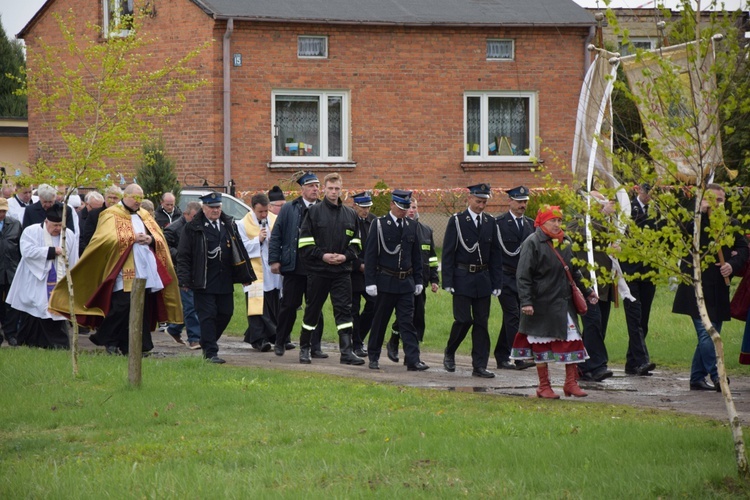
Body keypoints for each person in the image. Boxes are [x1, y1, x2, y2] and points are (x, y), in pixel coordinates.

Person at [49, 184, 182, 355]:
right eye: (136, 198)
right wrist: (132, 238)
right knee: (122, 305)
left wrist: (150, 239)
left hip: (145, 267)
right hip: (121, 267)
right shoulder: (111, 214)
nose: (138, 202)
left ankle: (136, 346)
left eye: (141, 198)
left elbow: (158, 236)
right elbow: (105, 239)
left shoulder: (144, 214)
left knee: (142, 306)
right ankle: (107, 339)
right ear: (125, 196)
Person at [510, 205, 597, 399]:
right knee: (541, 344)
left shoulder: (566, 241)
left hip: (563, 302)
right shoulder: (532, 243)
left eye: (559, 220)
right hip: (540, 304)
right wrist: (526, 302)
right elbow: (523, 275)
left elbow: (574, 271)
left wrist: (588, 290)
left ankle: (570, 383)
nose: (557, 225)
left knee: (572, 341)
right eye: (552, 220)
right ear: (542, 222)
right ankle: (544, 386)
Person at [672, 184, 748, 392]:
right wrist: (698, 212)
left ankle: (697, 378)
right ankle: (717, 375)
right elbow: (682, 235)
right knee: (707, 333)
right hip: (695, 286)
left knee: (711, 333)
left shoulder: (730, 224)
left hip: (718, 289)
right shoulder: (694, 222)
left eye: (721, 200)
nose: (717, 204)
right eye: (713, 200)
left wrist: (732, 264)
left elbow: (743, 249)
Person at [176, 191, 255, 364]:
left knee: (226, 313)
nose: (215, 210)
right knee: (208, 315)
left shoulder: (228, 225)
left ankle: (206, 340)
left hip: (224, 279)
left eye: (218, 207)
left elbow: (239, 250)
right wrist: (184, 279)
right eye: (212, 207)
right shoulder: (193, 228)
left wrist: (245, 275)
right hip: (203, 280)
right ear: (203, 208)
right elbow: (183, 256)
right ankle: (210, 352)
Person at [297, 173, 363, 365]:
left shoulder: (351, 214)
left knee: (344, 312)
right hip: (318, 271)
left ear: (342, 190)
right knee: (312, 311)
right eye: (330, 188)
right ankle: (305, 349)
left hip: (342, 273)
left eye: (337, 189)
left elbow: (357, 244)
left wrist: (346, 256)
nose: (334, 192)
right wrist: (322, 255)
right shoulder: (314, 212)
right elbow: (304, 243)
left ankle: (347, 352)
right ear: (324, 189)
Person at [442, 183, 503, 378]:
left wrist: (497, 282)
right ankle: (450, 351)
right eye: (478, 201)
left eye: (484, 202)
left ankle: (479, 365)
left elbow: (495, 255)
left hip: (482, 279)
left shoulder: (490, 222)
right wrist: (448, 281)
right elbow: (448, 252)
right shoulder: (458, 221)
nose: (481, 206)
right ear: (469, 199)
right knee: (463, 319)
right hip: (462, 277)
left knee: (481, 323)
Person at [365, 190, 428, 371]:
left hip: (405, 283)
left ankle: (413, 359)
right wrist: (370, 281)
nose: (403, 211)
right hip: (385, 281)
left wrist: (418, 280)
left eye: (406, 208)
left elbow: (416, 256)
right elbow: (371, 256)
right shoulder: (379, 224)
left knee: (407, 323)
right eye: (401, 208)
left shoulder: (411, 226)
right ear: (392, 204)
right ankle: (374, 356)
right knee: (380, 321)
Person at [268, 172, 326, 357]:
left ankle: (314, 346)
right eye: (311, 186)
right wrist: (274, 260)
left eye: (317, 185)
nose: (315, 189)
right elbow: (277, 234)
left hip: (316, 268)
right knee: (289, 306)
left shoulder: (325, 208)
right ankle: (280, 341)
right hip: (294, 266)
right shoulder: (289, 208)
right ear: (302, 189)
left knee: (315, 308)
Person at [7, 203, 78, 349]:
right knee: (35, 309)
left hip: (58, 280)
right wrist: (51, 251)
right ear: (46, 222)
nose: (58, 229)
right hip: (35, 277)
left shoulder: (68, 235)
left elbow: (73, 258)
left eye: (60, 225)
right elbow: (27, 251)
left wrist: (72, 278)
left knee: (53, 312)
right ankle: (30, 341)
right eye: (55, 225)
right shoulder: (31, 231)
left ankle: (58, 345)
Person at [569, 191, 617, 382]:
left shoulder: (610, 224)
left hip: (604, 285)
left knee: (599, 327)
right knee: (592, 324)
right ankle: (597, 365)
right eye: (598, 203)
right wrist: (602, 217)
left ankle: (584, 366)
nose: (602, 207)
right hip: (587, 285)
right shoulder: (578, 221)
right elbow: (579, 233)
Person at [386, 197, 439, 362]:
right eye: (408, 207)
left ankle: (411, 354)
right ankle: (395, 342)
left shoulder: (425, 230)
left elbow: (431, 257)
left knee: (418, 317)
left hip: (420, 282)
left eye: (414, 207)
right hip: (402, 281)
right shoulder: (398, 229)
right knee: (405, 316)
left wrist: (434, 279)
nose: (411, 210)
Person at [493, 186, 535, 371]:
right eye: (519, 202)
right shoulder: (499, 223)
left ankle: (501, 355)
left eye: (525, 202)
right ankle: (519, 356)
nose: (522, 205)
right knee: (513, 316)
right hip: (505, 276)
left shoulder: (531, 225)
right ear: (510, 201)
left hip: (523, 279)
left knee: (512, 318)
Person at [621, 183, 659, 376]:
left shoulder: (657, 212)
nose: (649, 197)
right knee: (634, 316)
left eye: (652, 194)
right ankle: (642, 360)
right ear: (639, 192)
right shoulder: (629, 209)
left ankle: (632, 363)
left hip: (649, 272)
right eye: (647, 193)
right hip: (630, 272)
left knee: (643, 319)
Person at [237, 193, 282, 352]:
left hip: (271, 270)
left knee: (271, 304)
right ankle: (259, 340)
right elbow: (241, 248)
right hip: (254, 271)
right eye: (260, 212)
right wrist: (258, 240)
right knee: (257, 306)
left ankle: (274, 336)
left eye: (265, 211)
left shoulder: (274, 219)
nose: (263, 214)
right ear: (252, 208)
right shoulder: (243, 224)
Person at [163, 201, 203, 349]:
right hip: (180, 270)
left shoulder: (198, 227)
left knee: (195, 304)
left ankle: (174, 328)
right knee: (190, 304)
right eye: (193, 216)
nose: (195, 220)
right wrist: (181, 255)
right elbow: (165, 247)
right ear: (186, 214)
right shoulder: (173, 229)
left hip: (196, 271)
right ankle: (194, 338)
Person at [350, 191, 376, 357]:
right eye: (362, 207)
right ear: (355, 205)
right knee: (353, 310)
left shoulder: (373, 221)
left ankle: (360, 337)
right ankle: (356, 344)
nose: (365, 211)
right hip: (351, 273)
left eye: (368, 207)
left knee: (374, 305)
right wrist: (358, 264)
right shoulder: (347, 220)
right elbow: (342, 245)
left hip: (370, 273)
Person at [0, 197, 22, 346]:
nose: (0, 214)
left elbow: (20, 248)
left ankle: (11, 333)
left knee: (12, 305)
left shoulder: (15, 224)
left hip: (11, 270)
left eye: (3, 211)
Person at [79, 185, 123, 256]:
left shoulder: (124, 215)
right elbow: (88, 236)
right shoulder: (94, 214)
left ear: (120, 200)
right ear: (105, 198)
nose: (112, 200)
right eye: (109, 197)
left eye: (115, 198)